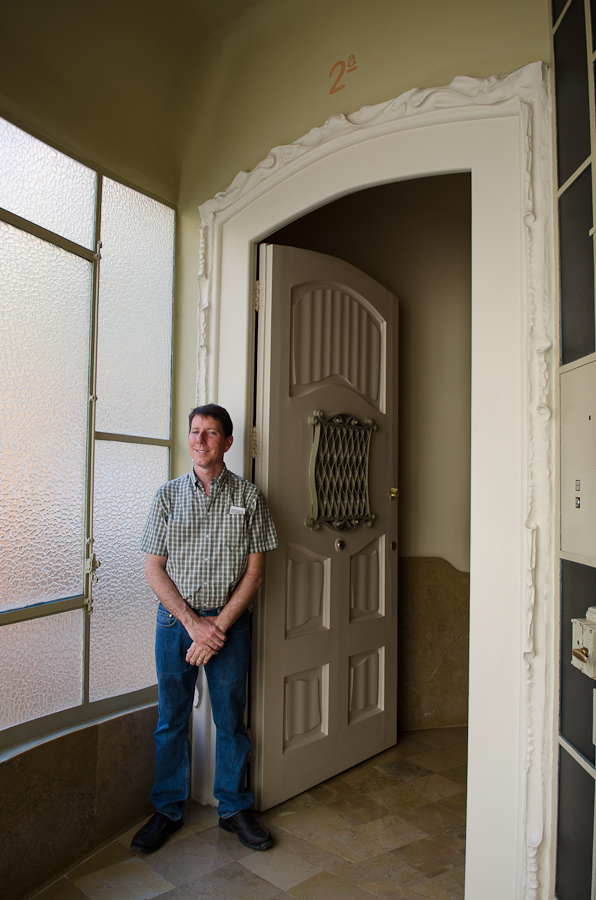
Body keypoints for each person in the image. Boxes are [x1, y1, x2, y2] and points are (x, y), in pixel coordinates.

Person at [131, 403, 278, 854]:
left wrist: (217, 628)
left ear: (227, 442)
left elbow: (255, 572)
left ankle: (233, 808)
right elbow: (153, 569)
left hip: (230, 625)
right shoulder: (167, 496)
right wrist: (194, 625)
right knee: (171, 718)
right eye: (195, 431)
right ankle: (168, 808)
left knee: (230, 719)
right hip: (175, 622)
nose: (199, 439)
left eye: (210, 432)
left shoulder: (249, 498)